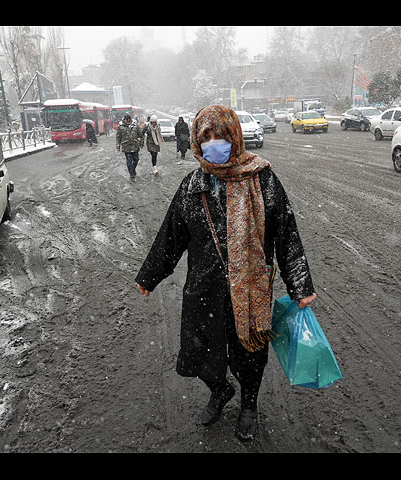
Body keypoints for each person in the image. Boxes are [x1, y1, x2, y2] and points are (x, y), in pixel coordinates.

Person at [135, 105, 316, 442]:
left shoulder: (263, 179)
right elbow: (171, 236)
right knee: (198, 353)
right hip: (203, 290)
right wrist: (150, 275)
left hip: (249, 290)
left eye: (220, 136)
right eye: (206, 137)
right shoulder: (192, 185)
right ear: (196, 142)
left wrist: (299, 284)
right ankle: (219, 391)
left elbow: (286, 233)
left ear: (234, 137)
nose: (213, 143)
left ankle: (248, 405)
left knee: (249, 354)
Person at [116, 114, 143, 181]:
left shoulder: (135, 125)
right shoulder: (121, 127)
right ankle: (132, 174)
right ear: (124, 119)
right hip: (126, 146)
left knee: (136, 160)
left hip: (135, 146)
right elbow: (118, 137)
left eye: (129, 119)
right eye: (126, 119)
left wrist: (141, 143)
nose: (128, 120)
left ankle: (133, 169)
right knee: (129, 161)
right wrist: (118, 145)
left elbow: (141, 135)